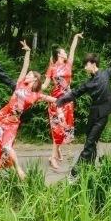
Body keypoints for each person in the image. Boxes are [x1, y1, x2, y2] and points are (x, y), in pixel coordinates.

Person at [0, 41, 57, 179]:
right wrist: (27, 52)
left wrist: (67, 99)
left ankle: (18, 170)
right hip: (2, 116)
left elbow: (51, 99)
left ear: (35, 79)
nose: (27, 75)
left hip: (13, 121)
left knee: (7, 146)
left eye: (30, 74)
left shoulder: (36, 94)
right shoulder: (20, 84)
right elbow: (24, 67)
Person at [41, 32, 83, 170]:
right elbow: (45, 85)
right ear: (59, 54)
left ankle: (56, 151)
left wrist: (76, 37)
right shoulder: (52, 68)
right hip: (57, 101)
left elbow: (72, 50)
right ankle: (52, 157)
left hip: (68, 100)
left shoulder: (68, 65)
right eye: (63, 52)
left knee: (64, 128)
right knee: (57, 128)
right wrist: (34, 88)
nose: (66, 53)